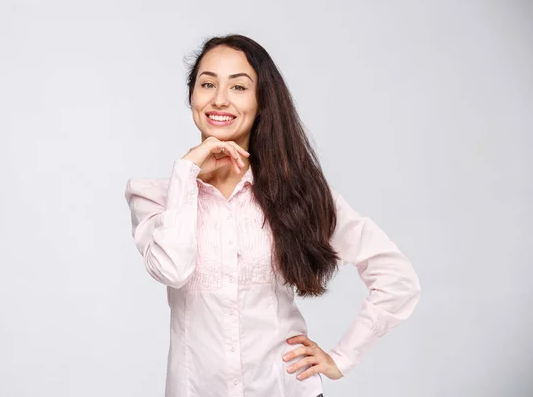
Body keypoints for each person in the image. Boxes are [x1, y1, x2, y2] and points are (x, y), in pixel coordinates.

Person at [124, 34, 420, 397]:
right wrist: (186, 171)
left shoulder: (299, 194)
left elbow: (396, 278)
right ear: (192, 97)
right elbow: (172, 269)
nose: (220, 98)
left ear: (261, 101)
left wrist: (342, 358)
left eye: (238, 86)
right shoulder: (154, 197)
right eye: (207, 84)